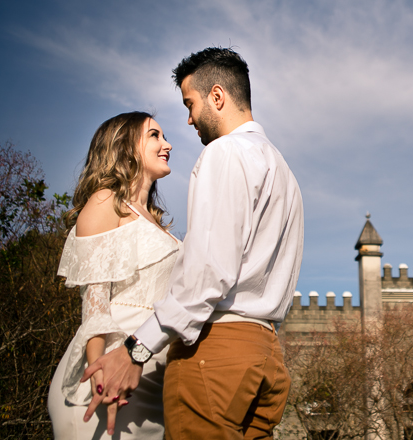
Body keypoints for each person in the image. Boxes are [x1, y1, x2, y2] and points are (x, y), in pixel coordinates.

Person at [83, 48, 305, 440]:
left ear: (217, 97)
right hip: (267, 357)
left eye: (190, 104)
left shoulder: (224, 153)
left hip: (216, 353)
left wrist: (137, 349)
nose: (188, 120)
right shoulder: (285, 174)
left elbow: (206, 277)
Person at [48, 112, 180, 439]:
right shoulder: (105, 201)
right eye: (155, 135)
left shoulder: (160, 224)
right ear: (125, 146)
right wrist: (102, 377)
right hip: (112, 376)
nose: (168, 144)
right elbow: (94, 305)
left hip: (155, 382)